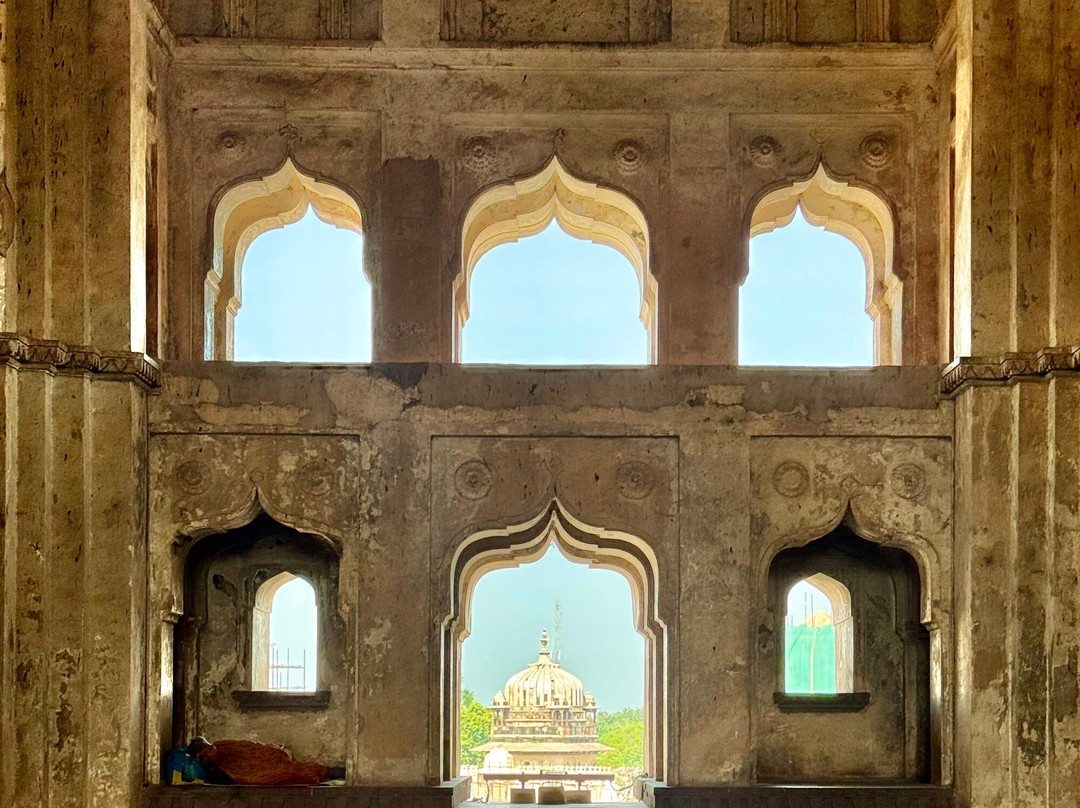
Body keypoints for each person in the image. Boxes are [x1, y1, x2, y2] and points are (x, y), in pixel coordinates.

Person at [187, 737, 340, 786]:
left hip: (264, 759)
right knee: (283, 773)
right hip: (251, 772)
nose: (212, 750)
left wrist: (272, 750)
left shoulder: (222, 745)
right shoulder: (214, 771)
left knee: (286, 764)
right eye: (207, 750)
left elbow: (249, 746)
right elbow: (238, 776)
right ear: (201, 756)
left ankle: (333, 771)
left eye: (210, 747)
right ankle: (328, 773)